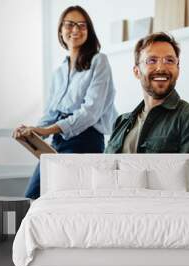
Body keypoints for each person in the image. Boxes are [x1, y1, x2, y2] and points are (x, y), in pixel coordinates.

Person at [15, 6, 117, 199]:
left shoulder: (99, 61)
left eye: (81, 25)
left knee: (71, 203)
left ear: (89, 30)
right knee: (32, 198)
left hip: (86, 140)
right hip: (58, 141)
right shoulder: (59, 71)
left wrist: (46, 130)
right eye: (70, 24)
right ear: (61, 30)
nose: (75, 30)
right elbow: (51, 113)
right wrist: (31, 131)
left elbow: (90, 113)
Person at [105, 32, 189, 196]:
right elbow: (104, 175)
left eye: (169, 61)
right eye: (152, 60)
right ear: (136, 71)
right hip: (114, 212)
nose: (161, 67)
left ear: (178, 69)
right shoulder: (122, 121)